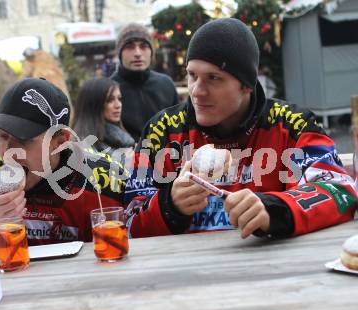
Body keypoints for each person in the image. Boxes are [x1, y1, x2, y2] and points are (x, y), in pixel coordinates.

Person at [124, 18, 357, 239]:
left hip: (273, 267)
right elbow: (128, 222)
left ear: (246, 85)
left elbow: (340, 191)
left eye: (213, 78)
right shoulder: (161, 130)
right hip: (185, 273)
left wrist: (274, 209)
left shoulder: (291, 123)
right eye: (192, 75)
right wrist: (169, 206)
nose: (196, 91)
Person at [0, 77, 130, 249]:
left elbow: (142, 237)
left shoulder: (103, 178)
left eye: (23, 140)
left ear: (60, 141)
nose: (8, 153)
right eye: (3, 136)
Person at [111, 23, 179, 141]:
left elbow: (178, 128)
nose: (137, 53)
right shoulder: (108, 90)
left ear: (151, 51)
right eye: (130, 47)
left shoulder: (166, 84)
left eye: (143, 46)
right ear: (120, 53)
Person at [71, 77, 134, 156]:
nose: (118, 105)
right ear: (93, 104)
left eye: (119, 99)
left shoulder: (124, 140)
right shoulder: (82, 147)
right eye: (110, 100)